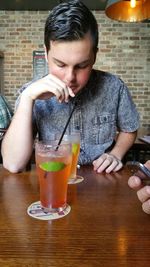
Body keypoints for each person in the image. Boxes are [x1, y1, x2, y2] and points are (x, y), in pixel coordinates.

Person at [1, 0, 139, 173]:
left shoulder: (114, 87)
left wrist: (116, 154)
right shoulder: (31, 94)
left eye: (82, 66)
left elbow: (129, 128)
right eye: (60, 64)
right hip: (55, 180)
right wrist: (27, 99)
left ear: (94, 56)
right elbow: (13, 164)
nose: (70, 78)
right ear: (46, 53)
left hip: (102, 182)